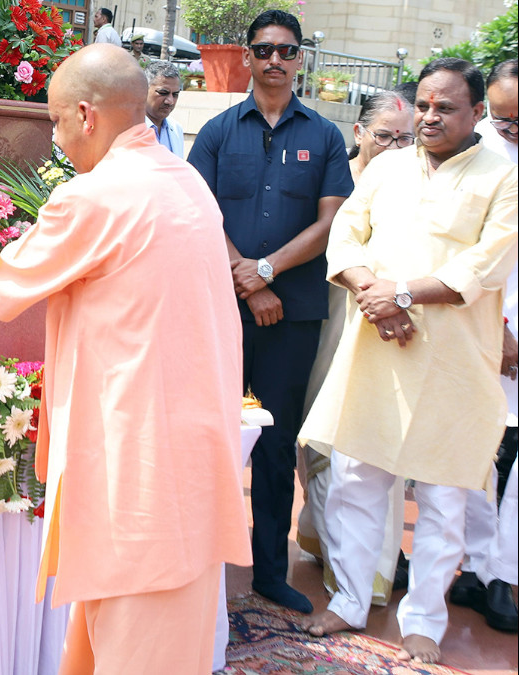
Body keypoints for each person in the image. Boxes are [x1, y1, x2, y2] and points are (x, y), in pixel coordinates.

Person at [0, 43, 251, 674]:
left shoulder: (98, 193)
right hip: (190, 446)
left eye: (54, 121)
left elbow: (15, 269)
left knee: (137, 630)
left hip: (139, 459)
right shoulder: (186, 180)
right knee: (129, 623)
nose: (54, 137)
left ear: (86, 115)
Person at [299, 58, 518, 664]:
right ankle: (347, 600)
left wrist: (399, 295)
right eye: (422, 105)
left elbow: (483, 268)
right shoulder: (389, 167)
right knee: (352, 481)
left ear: (477, 113)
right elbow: (345, 237)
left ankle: (424, 619)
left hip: (452, 365)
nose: (428, 117)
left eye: (445, 107)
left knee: (445, 500)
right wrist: (378, 297)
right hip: (377, 348)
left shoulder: (504, 179)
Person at [187, 9, 354, 615]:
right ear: (248, 56)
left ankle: (269, 570)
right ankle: (199, 561)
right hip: (223, 312)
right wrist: (249, 283)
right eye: (264, 50)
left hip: (293, 314)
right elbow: (199, 214)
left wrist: (266, 272)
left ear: (300, 59)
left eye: (287, 51)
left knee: (278, 444)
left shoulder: (326, 136)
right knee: (210, 433)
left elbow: (333, 221)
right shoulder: (216, 131)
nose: (275, 60)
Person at [295, 91, 414, 607]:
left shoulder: (418, 183)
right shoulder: (333, 176)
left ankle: (367, 569)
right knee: (320, 435)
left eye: (404, 137)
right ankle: (328, 543)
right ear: (360, 132)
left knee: (374, 442)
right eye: (384, 135)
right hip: (328, 319)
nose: (394, 146)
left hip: (390, 322)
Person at [449, 58, 519, 633]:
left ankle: (505, 575)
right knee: (478, 452)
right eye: (501, 120)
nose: (510, 130)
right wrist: (499, 328)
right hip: (483, 323)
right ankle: (474, 566)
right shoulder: (481, 163)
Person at [144, 60, 184, 156]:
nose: (170, 101)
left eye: (175, 94)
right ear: (143, 89)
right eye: (163, 93)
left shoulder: (176, 129)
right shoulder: (127, 127)